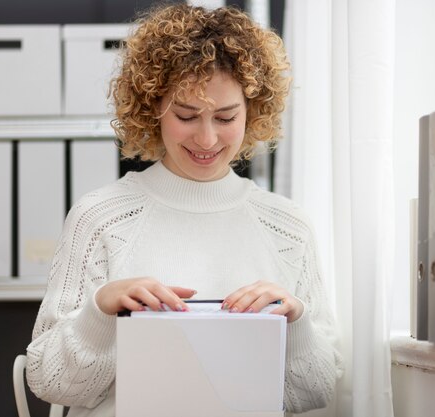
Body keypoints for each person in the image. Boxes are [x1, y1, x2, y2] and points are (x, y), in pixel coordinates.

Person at [26, 4, 343, 416]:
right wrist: (101, 310)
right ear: (153, 107)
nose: (207, 138)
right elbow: (49, 382)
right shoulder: (100, 216)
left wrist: (295, 321)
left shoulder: (289, 227)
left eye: (226, 116)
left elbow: (318, 391)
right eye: (186, 115)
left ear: (253, 110)